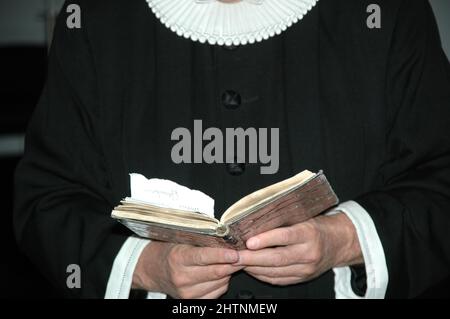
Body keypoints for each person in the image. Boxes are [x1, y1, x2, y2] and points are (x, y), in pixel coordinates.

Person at [14, 0, 450, 299]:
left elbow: (439, 179)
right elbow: (46, 198)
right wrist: (145, 266)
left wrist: (342, 240)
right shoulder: (95, 17)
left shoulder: (388, 12)